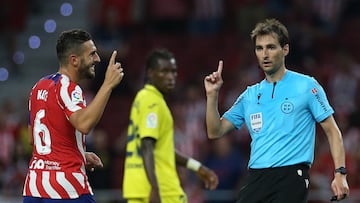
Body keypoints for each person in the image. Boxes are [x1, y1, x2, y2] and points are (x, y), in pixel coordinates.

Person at [204, 18, 349, 203]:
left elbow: (333, 131)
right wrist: (212, 96)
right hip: (256, 178)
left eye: (271, 47)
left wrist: (340, 173)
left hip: (291, 177)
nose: (265, 54)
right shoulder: (249, 95)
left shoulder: (307, 86)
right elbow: (215, 131)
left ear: (285, 49)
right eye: (259, 48)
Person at [22, 29, 124, 203]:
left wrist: (79, 154)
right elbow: (84, 124)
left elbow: (36, 141)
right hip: (66, 187)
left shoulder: (39, 86)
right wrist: (107, 85)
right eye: (92, 54)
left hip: (34, 188)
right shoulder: (69, 88)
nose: (97, 59)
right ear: (74, 60)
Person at [123, 48, 218, 203]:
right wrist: (155, 188)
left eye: (173, 71)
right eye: (164, 71)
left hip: (138, 187)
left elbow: (162, 150)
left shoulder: (142, 98)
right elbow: (146, 145)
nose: (170, 77)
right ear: (150, 73)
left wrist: (197, 167)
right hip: (162, 191)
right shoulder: (153, 102)